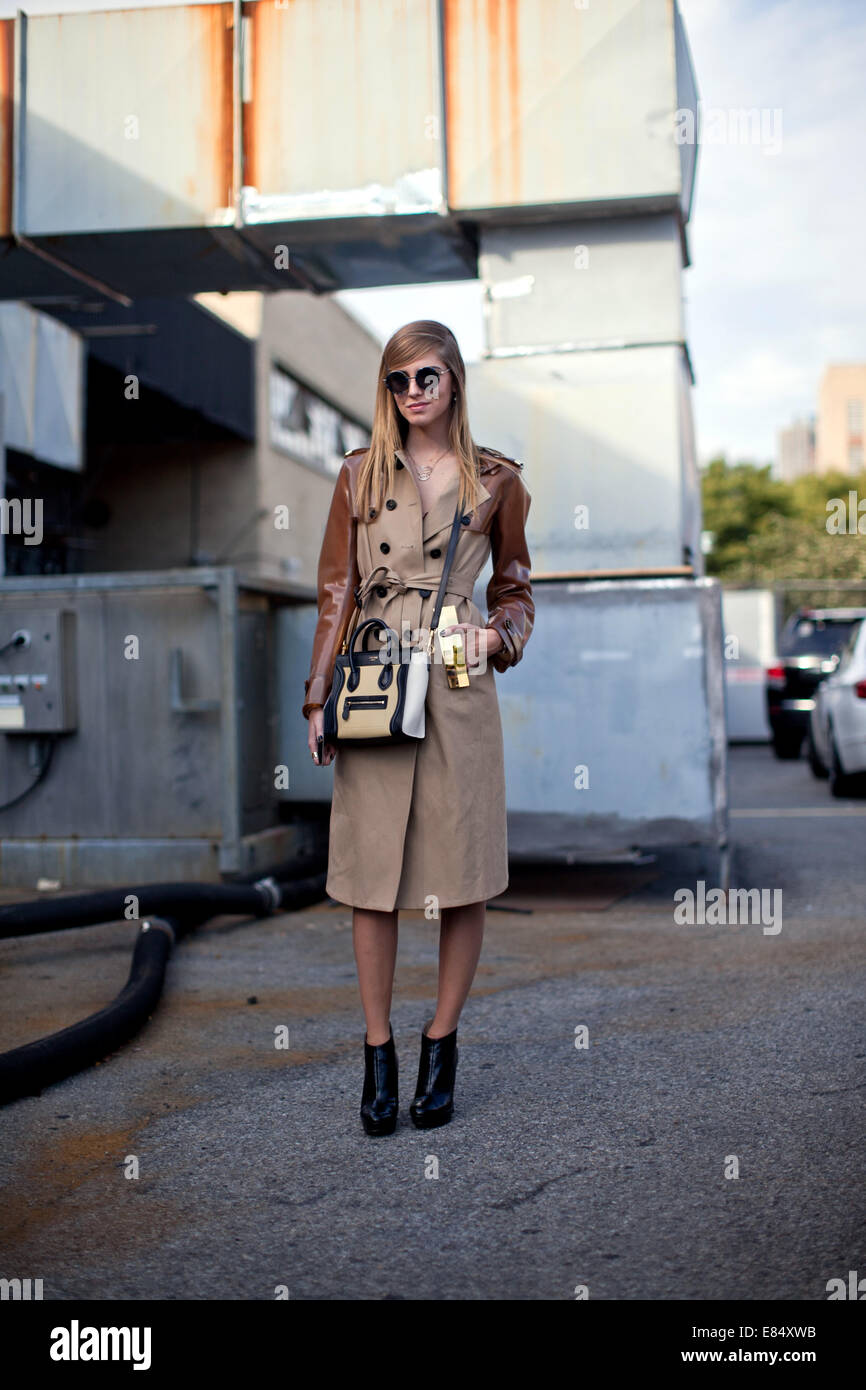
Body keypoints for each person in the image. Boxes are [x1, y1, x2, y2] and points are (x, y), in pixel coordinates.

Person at [302, 319, 534, 1135]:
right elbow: (336, 590)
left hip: (457, 679)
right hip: (372, 677)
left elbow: (515, 588)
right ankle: (378, 1055)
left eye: (427, 377)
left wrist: (498, 635)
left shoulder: (497, 479)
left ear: (455, 381)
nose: (412, 394)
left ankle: (442, 1043)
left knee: (461, 871)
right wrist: (317, 695)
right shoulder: (358, 475)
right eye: (398, 381)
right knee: (372, 877)